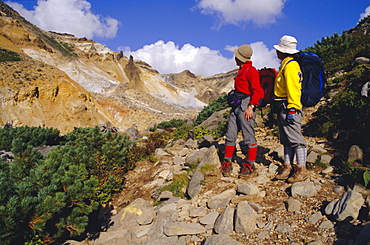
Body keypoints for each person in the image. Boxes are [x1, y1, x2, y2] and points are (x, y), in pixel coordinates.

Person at [221, 44, 264, 176]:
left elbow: (258, 91)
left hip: (246, 105)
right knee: (230, 133)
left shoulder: (251, 71)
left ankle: (250, 164)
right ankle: (227, 161)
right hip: (238, 105)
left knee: (248, 135)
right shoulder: (242, 70)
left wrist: (251, 107)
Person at [273, 35, 308, 183]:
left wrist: (293, 108)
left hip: (288, 107)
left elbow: (294, 89)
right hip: (283, 107)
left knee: (296, 139)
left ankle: (301, 168)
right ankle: (287, 166)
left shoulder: (291, 66)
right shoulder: (286, 65)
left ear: (282, 51)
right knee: (286, 139)